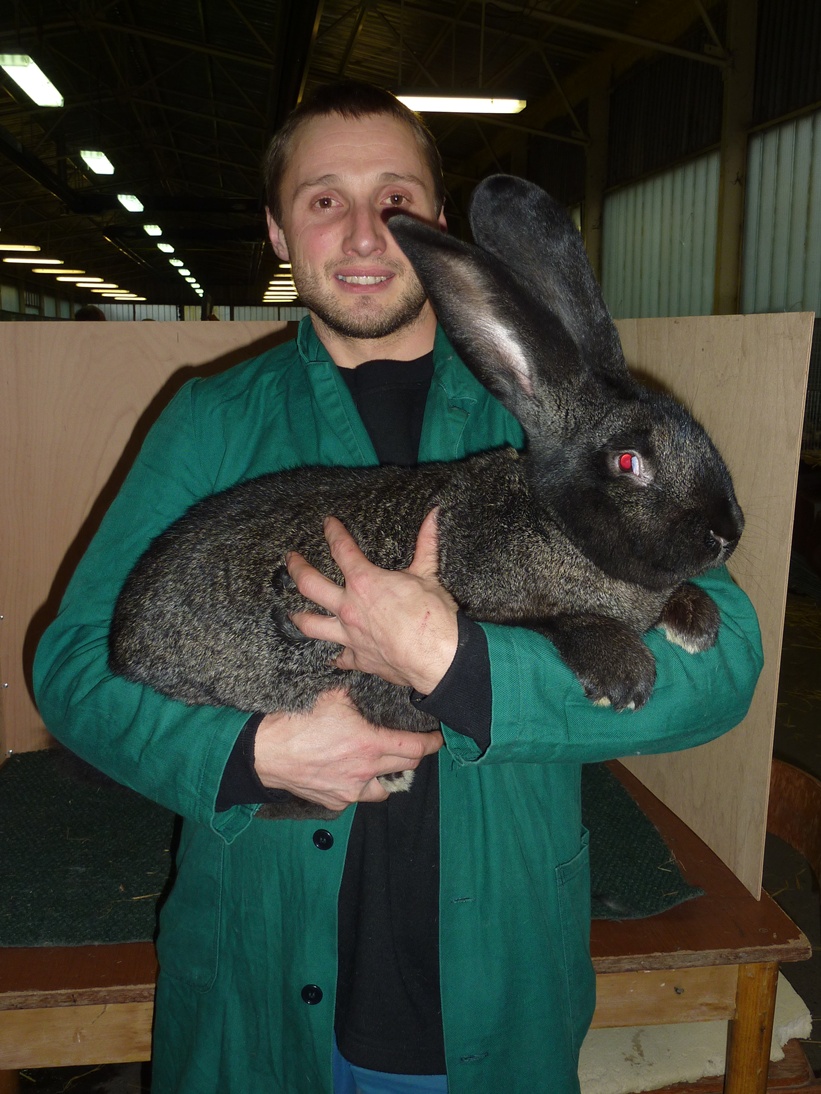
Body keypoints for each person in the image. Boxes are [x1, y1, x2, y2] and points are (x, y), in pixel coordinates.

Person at [33, 82, 763, 1094]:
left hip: (495, 972)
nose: (365, 232)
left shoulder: (562, 428)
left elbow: (724, 668)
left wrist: (465, 668)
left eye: (395, 199)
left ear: (437, 225)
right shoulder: (212, 418)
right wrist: (250, 755)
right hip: (260, 973)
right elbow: (72, 668)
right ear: (277, 232)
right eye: (323, 199)